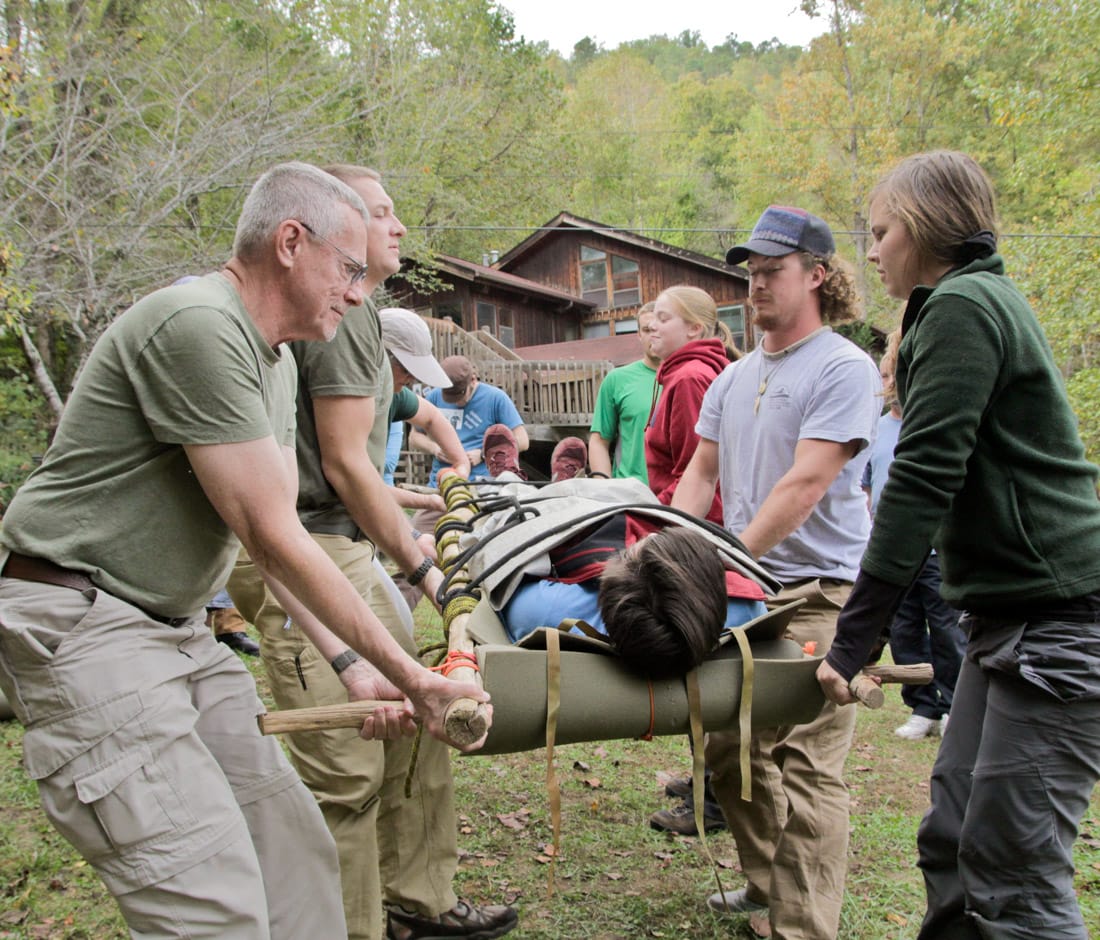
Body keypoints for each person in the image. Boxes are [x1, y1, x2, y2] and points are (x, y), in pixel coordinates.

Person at [0, 162, 488, 939]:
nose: (360, 293)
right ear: (290, 242)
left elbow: (262, 540)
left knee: (294, 855)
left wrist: (353, 668)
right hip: (86, 626)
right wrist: (412, 678)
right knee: (211, 904)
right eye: (349, 269)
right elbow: (275, 534)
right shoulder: (198, 324)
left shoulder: (277, 359)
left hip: (178, 631)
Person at [817, 150, 1100, 940]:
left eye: (880, 231)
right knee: (954, 832)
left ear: (929, 224)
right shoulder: (969, 301)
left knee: (1014, 868)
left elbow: (921, 478)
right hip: (1009, 621)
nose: (871, 252)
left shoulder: (963, 306)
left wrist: (853, 637)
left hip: (1059, 621)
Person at [228, 166, 515, 940]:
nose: (393, 231)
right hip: (308, 548)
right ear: (314, 237)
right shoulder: (334, 320)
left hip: (339, 544)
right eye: (376, 216)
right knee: (348, 768)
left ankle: (417, 901)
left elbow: (403, 419)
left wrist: (433, 512)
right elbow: (348, 466)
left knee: (420, 715)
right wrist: (423, 567)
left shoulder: (351, 315)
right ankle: (358, 925)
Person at [673, 205, 880, 939]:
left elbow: (805, 486)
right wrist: (674, 546)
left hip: (824, 591)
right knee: (727, 750)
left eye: (772, 272)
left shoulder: (843, 367)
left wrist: (722, 560)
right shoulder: (734, 377)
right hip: (751, 592)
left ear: (817, 276)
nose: (755, 286)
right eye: (751, 274)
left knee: (809, 761)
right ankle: (765, 885)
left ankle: (802, 928)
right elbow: (701, 472)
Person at [862, 330, 964, 741]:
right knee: (904, 630)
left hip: (936, 550)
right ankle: (923, 707)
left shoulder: (933, 424)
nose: (888, 386)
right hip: (891, 551)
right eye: (886, 378)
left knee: (947, 631)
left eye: (892, 376)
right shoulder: (877, 430)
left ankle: (955, 707)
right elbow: (866, 489)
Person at [500, 520, 768, 675]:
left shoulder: (546, 609)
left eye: (638, 546)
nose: (651, 533)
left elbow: (510, 599)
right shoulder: (746, 610)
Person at [645, 285, 738, 526]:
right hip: (676, 514)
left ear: (694, 328)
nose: (651, 326)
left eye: (663, 318)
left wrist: (647, 516)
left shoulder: (690, 379)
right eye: (653, 317)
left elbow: (694, 475)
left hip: (692, 525)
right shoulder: (678, 375)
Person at [412, 356, 528, 485]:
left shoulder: (496, 398)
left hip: (482, 485)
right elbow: (414, 437)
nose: (456, 401)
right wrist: (434, 448)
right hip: (441, 481)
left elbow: (523, 440)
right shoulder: (434, 397)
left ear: (472, 380)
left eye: (460, 396)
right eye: (450, 398)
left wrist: (484, 454)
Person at [589, 303, 660, 481]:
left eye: (657, 328)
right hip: (631, 494)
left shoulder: (692, 377)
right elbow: (599, 441)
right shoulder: (617, 379)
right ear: (639, 335)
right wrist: (606, 490)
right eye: (646, 329)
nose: (653, 335)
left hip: (679, 497)